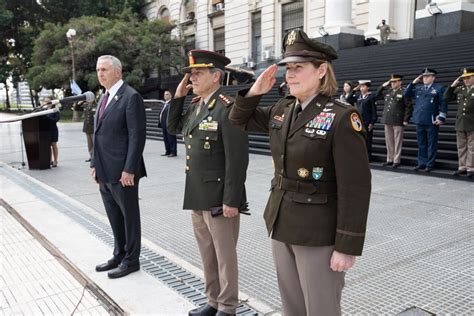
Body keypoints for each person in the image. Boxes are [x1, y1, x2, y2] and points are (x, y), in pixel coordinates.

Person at [229, 29, 371, 316]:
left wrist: (347, 245)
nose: (289, 75)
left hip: (318, 231)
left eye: (298, 68)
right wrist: (255, 90)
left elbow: (355, 186)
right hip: (282, 222)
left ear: (321, 71)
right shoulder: (283, 108)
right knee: (292, 307)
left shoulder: (342, 117)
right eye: (288, 68)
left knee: (321, 308)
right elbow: (238, 118)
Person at [167, 50, 249, 316]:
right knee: (207, 253)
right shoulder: (195, 105)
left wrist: (231, 200)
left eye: (197, 73)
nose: (192, 78)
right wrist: (179, 97)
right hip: (198, 195)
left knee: (225, 258)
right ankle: (212, 301)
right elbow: (173, 128)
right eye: (190, 74)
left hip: (219, 198)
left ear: (216, 76)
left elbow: (237, 160)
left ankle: (227, 307)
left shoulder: (227, 108)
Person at [92, 55, 147, 279]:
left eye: (104, 69)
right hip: (104, 171)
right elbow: (98, 135)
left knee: (129, 217)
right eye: (98, 70)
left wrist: (130, 169)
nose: (100, 73)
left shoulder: (130, 97)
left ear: (117, 72)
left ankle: (132, 260)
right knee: (114, 217)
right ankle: (119, 254)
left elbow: (137, 136)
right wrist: (95, 164)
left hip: (123, 172)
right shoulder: (104, 97)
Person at [404, 68, 447, 172]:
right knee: (421, 143)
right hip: (419, 119)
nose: (425, 78)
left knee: (432, 143)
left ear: (433, 77)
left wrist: (441, 117)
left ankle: (430, 164)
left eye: (427, 76)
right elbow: (406, 94)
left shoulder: (439, 88)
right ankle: (422, 163)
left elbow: (443, 103)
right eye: (423, 76)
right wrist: (413, 83)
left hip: (432, 120)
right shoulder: (419, 88)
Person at [444, 67, 474, 178]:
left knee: (472, 147)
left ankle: (471, 168)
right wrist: (452, 86)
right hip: (461, 123)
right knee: (461, 147)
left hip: (472, 123)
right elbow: (446, 98)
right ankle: (462, 167)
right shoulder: (460, 89)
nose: (466, 80)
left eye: (468, 78)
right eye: (464, 78)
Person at [375, 74, 411, 168]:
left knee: (397, 141)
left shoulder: (404, 91)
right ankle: (390, 159)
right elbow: (377, 95)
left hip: (398, 119)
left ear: (400, 82)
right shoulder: (388, 91)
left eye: (394, 82)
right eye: (391, 82)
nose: (392, 84)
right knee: (389, 141)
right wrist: (383, 86)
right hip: (387, 119)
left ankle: (396, 160)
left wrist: (406, 119)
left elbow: (408, 106)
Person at [355, 80, 378, 161]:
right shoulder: (358, 97)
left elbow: (374, 111)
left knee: (367, 140)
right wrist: (355, 89)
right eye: (360, 86)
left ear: (368, 87)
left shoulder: (371, 97)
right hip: (358, 122)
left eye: (363, 86)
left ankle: (368, 157)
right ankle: (360, 156)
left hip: (367, 122)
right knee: (359, 140)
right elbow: (349, 98)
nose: (361, 88)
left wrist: (372, 122)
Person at [159, 89, 177, 157]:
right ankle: (167, 151)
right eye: (164, 94)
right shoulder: (164, 104)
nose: (165, 96)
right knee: (165, 139)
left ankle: (173, 152)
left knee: (171, 138)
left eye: (167, 94)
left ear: (171, 95)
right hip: (163, 124)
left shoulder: (172, 103)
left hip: (170, 125)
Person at [44, 96, 60, 167]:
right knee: (47, 146)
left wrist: (48, 118)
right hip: (45, 130)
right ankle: (49, 160)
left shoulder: (55, 110)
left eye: (48, 101)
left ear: (52, 102)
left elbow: (56, 119)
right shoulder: (44, 110)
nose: (47, 103)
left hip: (53, 130)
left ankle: (55, 161)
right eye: (45, 101)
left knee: (54, 145)